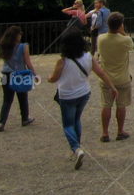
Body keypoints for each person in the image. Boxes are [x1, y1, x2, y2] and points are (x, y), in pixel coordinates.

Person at [48, 30, 118, 170]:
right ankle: (77, 146)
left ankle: (76, 148)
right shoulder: (88, 57)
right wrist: (112, 87)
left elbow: (53, 79)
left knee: (68, 124)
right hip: (83, 93)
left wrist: (48, 78)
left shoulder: (62, 61)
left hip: (67, 95)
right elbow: (101, 72)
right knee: (76, 119)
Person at [96, 11, 133, 142]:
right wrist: (122, 32)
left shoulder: (101, 39)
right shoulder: (125, 40)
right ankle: (120, 131)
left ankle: (105, 133)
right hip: (122, 78)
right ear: (120, 25)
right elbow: (131, 46)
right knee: (121, 105)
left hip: (106, 78)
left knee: (106, 105)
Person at [0, 25, 37, 132]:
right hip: (20, 74)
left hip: (6, 73)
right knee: (23, 97)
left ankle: (2, 122)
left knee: (7, 100)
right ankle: (25, 118)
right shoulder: (24, 46)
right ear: (17, 35)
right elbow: (28, 63)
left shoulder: (4, 45)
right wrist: (34, 74)